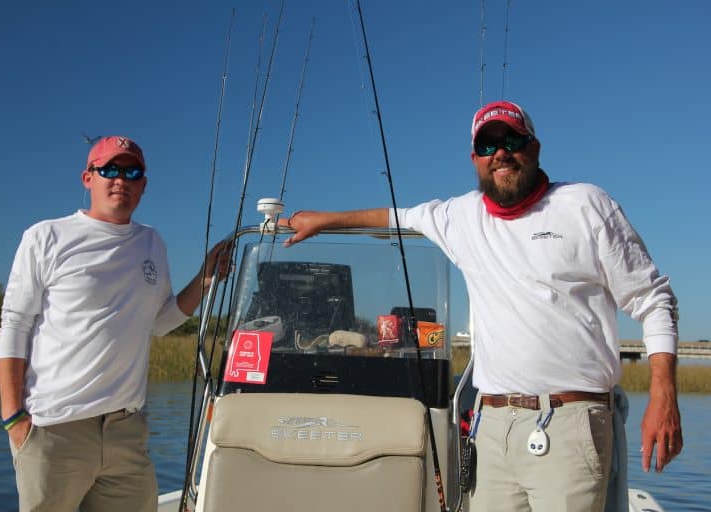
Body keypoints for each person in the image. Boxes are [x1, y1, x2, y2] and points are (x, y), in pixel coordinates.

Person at [277, 101, 682, 511]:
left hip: (569, 425)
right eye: (488, 145)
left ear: (534, 148)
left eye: (512, 140)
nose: (500, 152)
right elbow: (394, 218)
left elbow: (653, 300)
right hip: (492, 429)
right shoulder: (462, 216)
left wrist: (663, 396)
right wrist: (324, 221)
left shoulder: (585, 205)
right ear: (475, 159)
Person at [0, 136, 232, 512]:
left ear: (143, 184)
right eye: (108, 169)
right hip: (55, 429)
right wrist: (13, 419)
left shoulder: (152, 243)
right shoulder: (46, 236)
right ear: (87, 177)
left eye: (131, 171)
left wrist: (206, 277)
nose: (120, 178)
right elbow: (14, 326)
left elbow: (161, 321)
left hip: (126, 432)